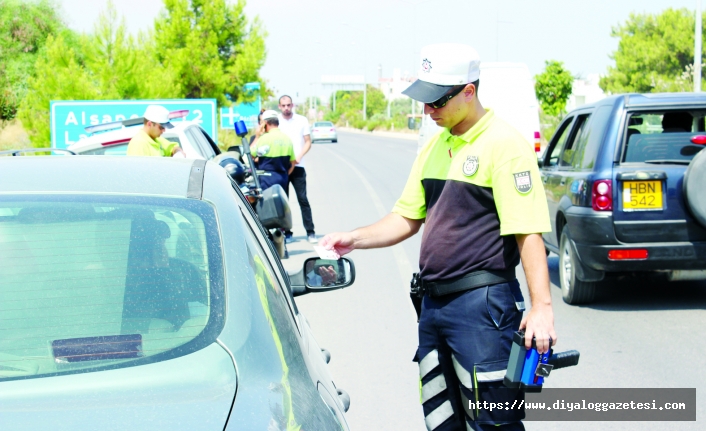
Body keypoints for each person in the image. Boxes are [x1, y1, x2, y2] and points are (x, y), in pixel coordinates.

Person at [321, 43, 557, 431]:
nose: (428, 111)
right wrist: (354, 239)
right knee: (441, 419)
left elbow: (527, 231)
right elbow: (406, 217)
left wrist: (542, 307)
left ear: (469, 91)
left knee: (494, 422)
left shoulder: (505, 145)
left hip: (482, 310)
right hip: (434, 307)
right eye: (424, 101)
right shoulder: (435, 146)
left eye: (437, 101)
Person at [277, 95, 317, 244]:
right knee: (284, 201)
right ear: (279, 106)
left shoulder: (301, 120)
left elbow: (308, 142)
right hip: (282, 166)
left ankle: (310, 232)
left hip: (298, 166)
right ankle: (287, 233)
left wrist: (299, 156)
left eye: (289, 105)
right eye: (284, 105)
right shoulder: (277, 122)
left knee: (303, 199)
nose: (286, 108)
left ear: (292, 105)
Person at [250, 109, 296, 192]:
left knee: (268, 204)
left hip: (266, 179)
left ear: (265, 123)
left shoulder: (264, 139)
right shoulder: (287, 138)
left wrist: (257, 136)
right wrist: (285, 174)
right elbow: (293, 162)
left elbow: (250, 155)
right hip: (283, 178)